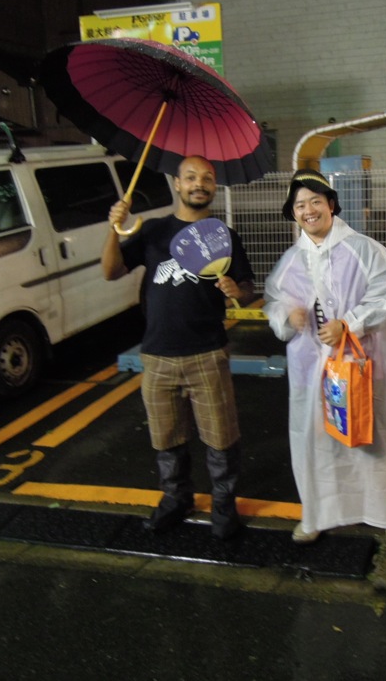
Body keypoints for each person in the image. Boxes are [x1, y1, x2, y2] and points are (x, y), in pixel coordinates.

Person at [263, 169, 386, 561]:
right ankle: (316, 513)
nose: (309, 210)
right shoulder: (292, 259)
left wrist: (350, 324)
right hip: (311, 374)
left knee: (373, 436)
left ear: (331, 204)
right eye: (300, 205)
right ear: (293, 214)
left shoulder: (364, 250)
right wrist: (287, 317)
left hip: (361, 368)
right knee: (313, 440)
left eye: (316, 201)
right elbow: (275, 302)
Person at [101, 155, 256, 540]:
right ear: (177, 184)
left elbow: (248, 289)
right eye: (190, 177)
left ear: (214, 186)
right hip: (156, 354)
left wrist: (238, 291)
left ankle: (224, 506)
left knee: (221, 438)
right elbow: (110, 271)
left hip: (208, 352)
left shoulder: (222, 236)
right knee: (166, 438)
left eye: (206, 178)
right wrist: (113, 228)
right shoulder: (154, 231)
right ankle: (176, 499)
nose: (198, 183)